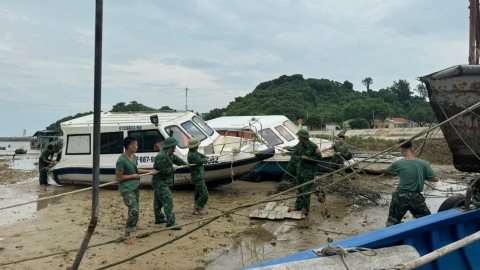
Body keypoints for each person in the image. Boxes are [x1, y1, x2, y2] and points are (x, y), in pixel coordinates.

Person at [370, 139, 439, 227]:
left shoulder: (398, 163)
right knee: (428, 221)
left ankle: (391, 238)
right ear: (412, 149)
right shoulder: (424, 163)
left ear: (400, 150)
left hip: (400, 196)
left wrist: (374, 170)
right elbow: (435, 179)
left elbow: (385, 171)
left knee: (392, 223)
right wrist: (420, 176)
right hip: (416, 197)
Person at [115, 136, 157, 245]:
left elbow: (136, 170)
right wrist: (132, 176)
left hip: (135, 186)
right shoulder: (121, 160)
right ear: (131, 146)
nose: (137, 147)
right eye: (136, 145)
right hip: (126, 188)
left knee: (136, 207)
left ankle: (134, 225)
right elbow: (118, 178)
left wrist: (149, 171)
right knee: (134, 209)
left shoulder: (134, 157)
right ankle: (127, 235)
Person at [281, 129, 322, 215]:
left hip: (309, 172)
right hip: (300, 171)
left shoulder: (313, 146)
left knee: (306, 190)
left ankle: (305, 208)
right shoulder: (300, 144)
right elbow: (295, 151)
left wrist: (309, 158)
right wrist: (286, 153)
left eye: (299, 137)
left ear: (304, 137)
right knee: (299, 189)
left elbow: (319, 157)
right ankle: (298, 206)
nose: (298, 138)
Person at [151, 137, 189, 230]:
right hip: (159, 182)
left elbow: (176, 159)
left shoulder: (170, 154)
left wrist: (185, 164)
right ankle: (171, 223)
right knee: (168, 201)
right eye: (174, 146)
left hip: (163, 181)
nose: (175, 148)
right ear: (171, 147)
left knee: (158, 201)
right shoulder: (162, 156)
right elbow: (164, 170)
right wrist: (173, 168)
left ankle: (159, 218)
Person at [187, 138, 214, 215]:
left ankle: (196, 208)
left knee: (198, 193)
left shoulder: (194, 152)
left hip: (199, 176)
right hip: (197, 177)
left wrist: (206, 157)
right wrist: (207, 160)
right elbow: (199, 161)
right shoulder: (192, 155)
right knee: (205, 194)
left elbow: (201, 155)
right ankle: (197, 208)